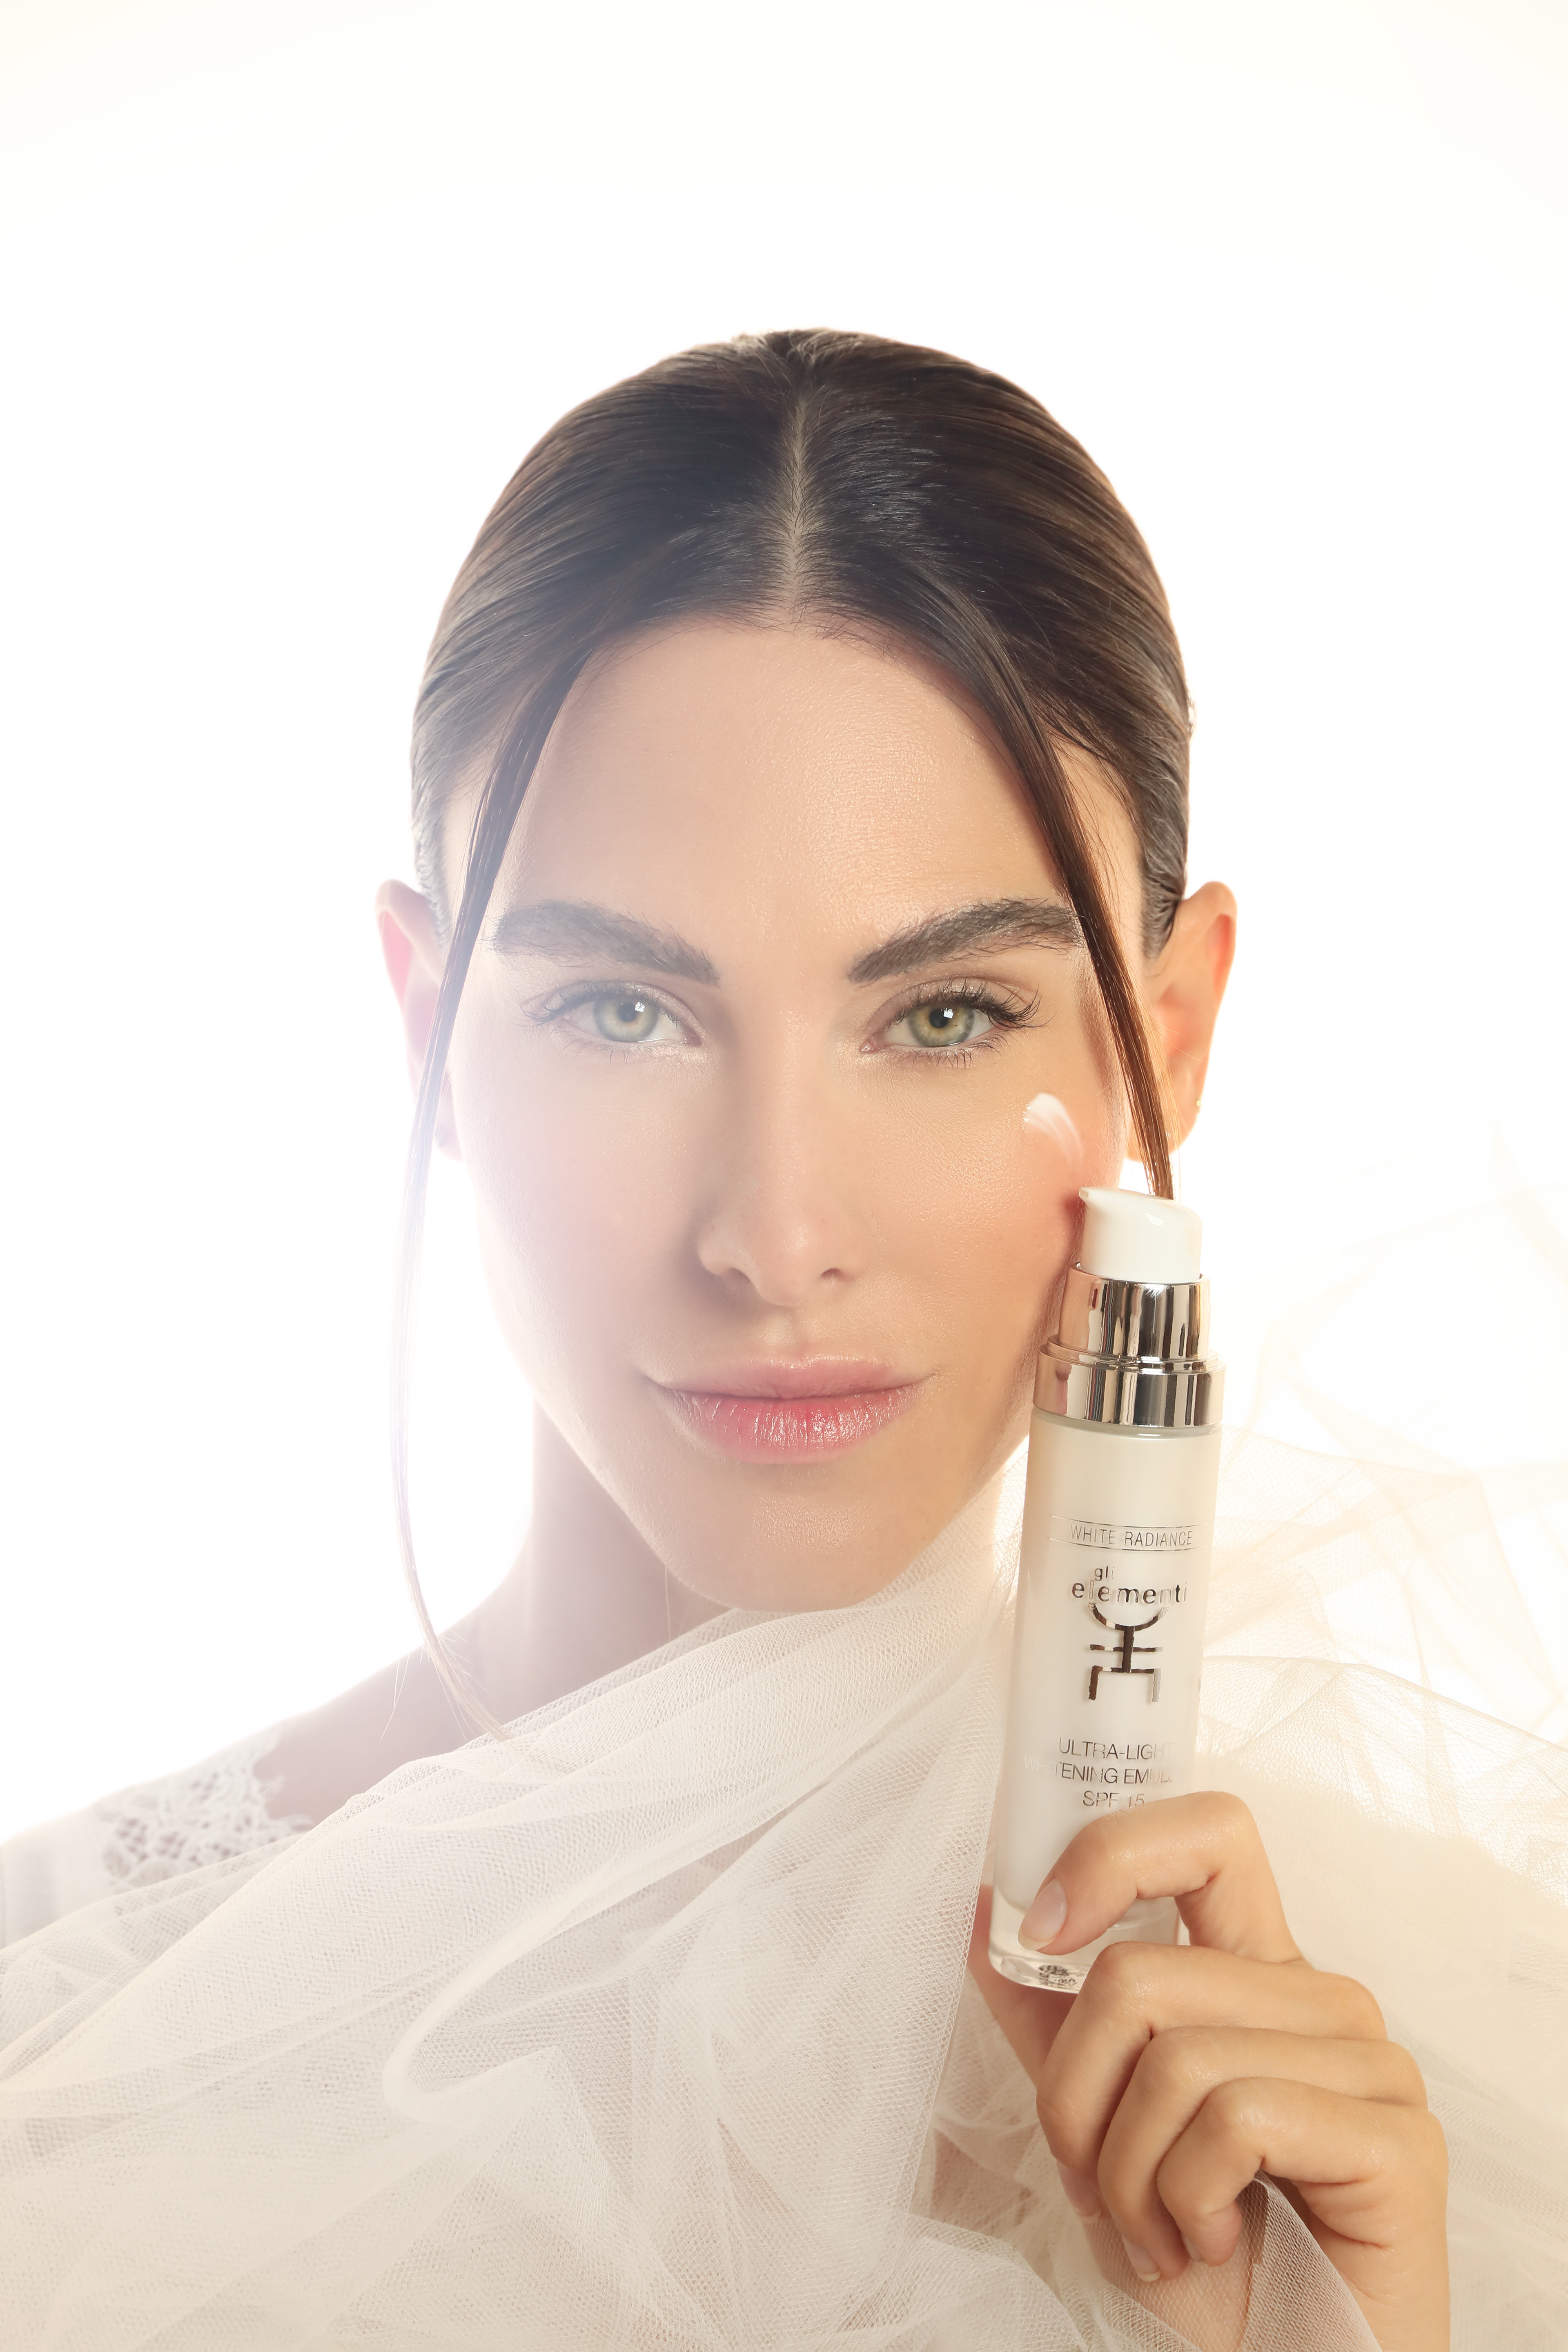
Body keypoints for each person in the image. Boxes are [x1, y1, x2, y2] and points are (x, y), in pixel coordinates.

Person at [2, 332, 1563, 2352]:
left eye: (943, 1016)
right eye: (623, 1011)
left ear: (1169, 1033)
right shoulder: (67, 2029)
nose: (779, 1239)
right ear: (430, 1030)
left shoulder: (1454, 2074)